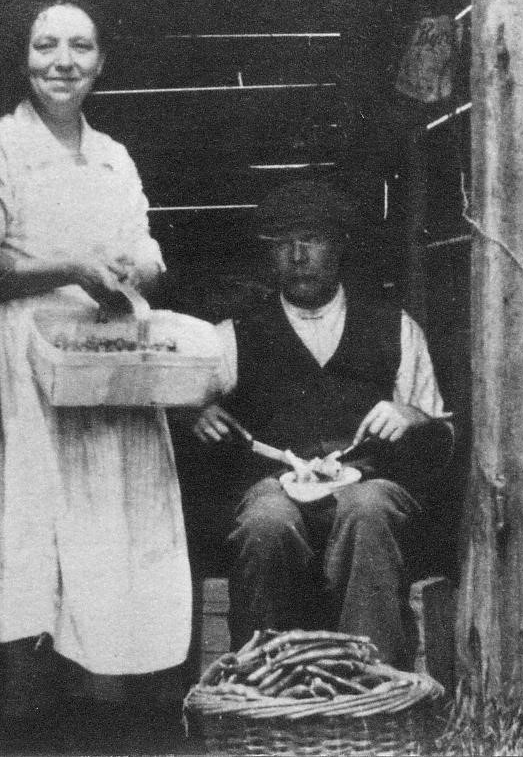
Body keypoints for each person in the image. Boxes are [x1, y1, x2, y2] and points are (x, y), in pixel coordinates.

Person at [0, 0, 190, 752]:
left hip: (109, 349)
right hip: (34, 353)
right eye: (46, 46)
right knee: (42, 518)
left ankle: (112, 707)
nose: (62, 62)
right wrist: (74, 266)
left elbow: (141, 243)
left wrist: (135, 265)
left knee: (115, 513)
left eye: (80, 47)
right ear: (25, 58)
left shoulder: (113, 154)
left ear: (102, 62)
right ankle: (35, 720)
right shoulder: (2, 144)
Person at [189, 179, 453, 668]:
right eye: (284, 242)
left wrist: (412, 417)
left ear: (340, 247)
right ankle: (266, 689)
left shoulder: (394, 327)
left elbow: (442, 434)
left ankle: (368, 688)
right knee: (267, 521)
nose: (297, 254)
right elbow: (189, 420)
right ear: (270, 256)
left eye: (312, 238)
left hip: (367, 484)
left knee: (369, 509)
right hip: (273, 486)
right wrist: (199, 415)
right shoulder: (232, 336)